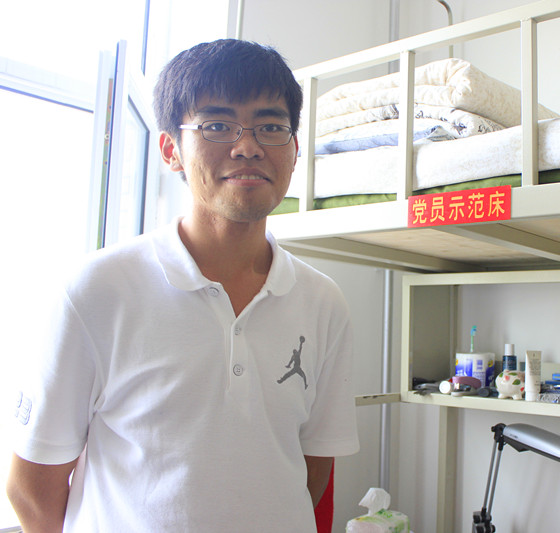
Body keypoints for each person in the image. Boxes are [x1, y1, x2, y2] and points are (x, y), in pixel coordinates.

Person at [6, 39, 359, 532]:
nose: (249, 146)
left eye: (271, 127)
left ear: (295, 151)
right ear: (171, 150)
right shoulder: (95, 291)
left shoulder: (323, 302)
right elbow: (32, 490)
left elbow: (311, 470)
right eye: (217, 125)